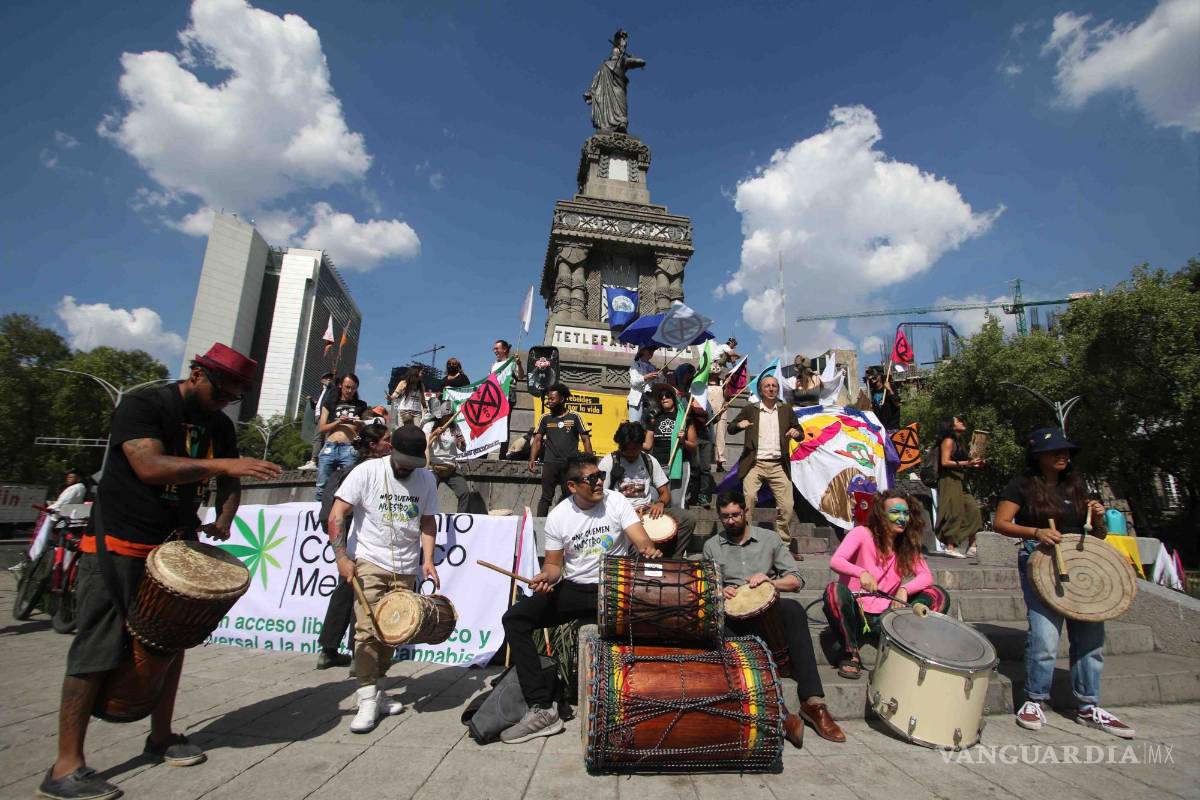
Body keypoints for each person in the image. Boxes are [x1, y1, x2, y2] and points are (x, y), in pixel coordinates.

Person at [39, 343, 282, 800]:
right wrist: (223, 464)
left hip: (175, 547)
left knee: (172, 641)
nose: (224, 402)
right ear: (197, 374)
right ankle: (65, 765)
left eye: (233, 396)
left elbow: (231, 478)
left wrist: (226, 515)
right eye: (221, 392)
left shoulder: (219, 424)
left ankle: (161, 736)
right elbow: (149, 466)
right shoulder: (144, 405)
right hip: (119, 543)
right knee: (96, 646)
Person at [499, 454, 662, 743]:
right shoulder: (559, 516)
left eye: (600, 476)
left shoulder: (616, 501)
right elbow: (554, 565)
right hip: (575, 588)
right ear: (572, 486)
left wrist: (647, 549)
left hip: (613, 585)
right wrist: (545, 578)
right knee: (515, 619)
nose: (599, 482)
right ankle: (542, 708)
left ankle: (651, 696)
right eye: (592, 478)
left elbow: (641, 540)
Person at [993, 428, 1132, 738]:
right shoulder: (1022, 485)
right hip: (1041, 560)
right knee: (1044, 634)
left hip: (1081, 564)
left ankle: (1088, 705)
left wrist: (1098, 518)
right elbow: (1000, 522)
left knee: (1090, 635)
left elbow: (1097, 535)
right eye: (1054, 450)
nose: (1062, 455)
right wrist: (1036, 532)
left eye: (1065, 450)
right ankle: (1035, 699)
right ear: (1038, 456)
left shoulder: (1076, 486)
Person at [705, 492, 845, 745]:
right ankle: (779, 713)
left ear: (746, 512)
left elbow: (796, 580)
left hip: (768, 612)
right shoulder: (712, 546)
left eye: (735, 515)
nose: (731, 521)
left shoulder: (769, 539)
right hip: (733, 616)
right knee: (717, 625)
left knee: (793, 609)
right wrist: (719, 590)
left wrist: (770, 582)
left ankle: (813, 702)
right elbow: (706, 585)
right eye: (725, 517)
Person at [327, 425, 440, 733]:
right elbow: (337, 514)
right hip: (369, 560)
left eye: (413, 464)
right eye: (403, 462)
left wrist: (428, 560)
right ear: (391, 450)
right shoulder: (367, 472)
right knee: (367, 630)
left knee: (394, 631)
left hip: (405, 567)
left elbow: (427, 521)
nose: (407, 469)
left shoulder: (427, 479)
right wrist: (341, 557)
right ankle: (366, 698)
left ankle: (377, 690)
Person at [823, 489, 950, 679]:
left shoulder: (906, 545)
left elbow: (926, 576)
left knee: (938, 595)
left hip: (887, 615)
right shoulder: (861, 533)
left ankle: (909, 645)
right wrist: (861, 572)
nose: (902, 518)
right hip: (856, 612)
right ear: (881, 515)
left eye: (906, 513)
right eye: (895, 512)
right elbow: (836, 561)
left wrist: (904, 589)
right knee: (833, 591)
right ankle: (851, 653)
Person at [314, 425, 393, 671]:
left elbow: (327, 514)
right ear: (372, 445)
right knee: (363, 594)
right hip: (362, 539)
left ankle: (330, 649)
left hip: (350, 539)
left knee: (346, 590)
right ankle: (358, 654)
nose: (390, 444)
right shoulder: (371, 472)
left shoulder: (346, 471)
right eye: (387, 440)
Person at [597, 421, 696, 558]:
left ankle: (672, 559)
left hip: (647, 511)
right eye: (628, 449)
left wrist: (660, 503)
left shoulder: (649, 460)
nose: (632, 453)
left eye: (636, 448)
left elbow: (665, 492)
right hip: (621, 514)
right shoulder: (609, 462)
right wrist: (627, 514)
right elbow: (600, 496)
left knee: (688, 519)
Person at [727, 375, 801, 541]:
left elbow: (799, 431)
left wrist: (796, 433)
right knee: (748, 500)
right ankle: (746, 539)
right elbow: (730, 428)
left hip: (779, 465)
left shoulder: (786, 409)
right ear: (760, 390)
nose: (771, 389)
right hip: (755, 463)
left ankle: (783, 543)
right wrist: (739, 425)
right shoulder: (750, 409)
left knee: (787, 506)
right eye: (767, 386)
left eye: (774, 386)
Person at [529, 384, 592, 516]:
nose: (549, 401)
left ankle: (567, 524)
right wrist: (532, 459)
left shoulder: (575, 417)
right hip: (550, 463)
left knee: (569, 497)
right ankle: (539, 523)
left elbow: (586, 440)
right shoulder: (545, 418)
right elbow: (537, 439)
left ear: (562, 399)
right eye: (548, 399)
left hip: (569, 465)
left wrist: (589, 463)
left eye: (552, 399)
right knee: (546, 497)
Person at [934, 415, 984, 558]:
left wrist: (975, 463)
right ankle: (951, 547)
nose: (962, 422)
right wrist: (967, 463)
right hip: (949, 479)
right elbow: (945, 462)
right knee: (953, 511)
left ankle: (972, 545)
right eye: (958, 421)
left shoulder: (959, 441)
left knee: (973, 510)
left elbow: (964, 462)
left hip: (960, 479)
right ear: (950, 425)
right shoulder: (948, 440)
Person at [316, 374, 367, 502]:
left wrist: (359, 423)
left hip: (350, 447)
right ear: (340, 385)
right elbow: (322, 428)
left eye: (353, 388)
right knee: (322, 485)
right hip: (330, 446)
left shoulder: (361, 405)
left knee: (349, 486)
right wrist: (338, 422)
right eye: (347, 387)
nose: (350, 391)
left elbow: (365, 426)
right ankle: (318, 510)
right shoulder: (330, 403)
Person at [584, 28, 646, 133]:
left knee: (622, 113)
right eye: (614, 53)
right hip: (607, 95)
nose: (615, 54)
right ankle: (609, 126)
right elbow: (597, 82)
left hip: (619, 91)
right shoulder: (605, 65)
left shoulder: (623, 61)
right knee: (607, 112)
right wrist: (592, 92)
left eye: (616, 53)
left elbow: (642, 62)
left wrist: (632, 58)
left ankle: (621, 124)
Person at [646, 384, 697, 508]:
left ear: (674, 398)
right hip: (657, 467)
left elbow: (693, 446)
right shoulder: (654, 419)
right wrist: (631, 440)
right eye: (661, 396)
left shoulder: (684, 419)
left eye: (667, 395)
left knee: (676, 503)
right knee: (653, 500)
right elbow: (647, 445)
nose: (664, 398)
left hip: (679, 466)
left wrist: (683, 441)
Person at [423, 400, 474, 513]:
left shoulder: (455, 428)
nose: (448, 418)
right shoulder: (429, 426)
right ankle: (426, 517)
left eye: (450, 415)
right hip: (433, 467)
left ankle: (460, 518)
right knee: (427, 493)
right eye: (446, 415)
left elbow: (462, 448)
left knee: (464, 492)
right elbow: (423, 444)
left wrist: (462, 443)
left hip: (450, 467)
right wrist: (434, 433)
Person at [707, 338, 740, 471]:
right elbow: (732, 355)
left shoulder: (723, 384)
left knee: (721, 437)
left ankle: (720, 461)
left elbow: (727, 397)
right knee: (707, 437)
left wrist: (726, 399)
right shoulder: (703, 385)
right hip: (707, 412)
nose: (715, 370)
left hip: (721, 411)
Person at [299, 372, 335, 470]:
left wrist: (330, 384)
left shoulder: (331, 389)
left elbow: (333, 388)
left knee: (320, 438)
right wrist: (311, 401)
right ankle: (318, 460)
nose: (329, 379)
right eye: (327, 378)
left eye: (330, 378)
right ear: (322, 380)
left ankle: (315, 460)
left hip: (325, 416)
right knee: (320, 438)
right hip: (318, 416)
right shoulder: (322, 392)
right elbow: (317, 405)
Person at [626, 345, 659, 423]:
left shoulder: (653, 367)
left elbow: (656, 385)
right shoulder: (635, 365)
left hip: (650, 401)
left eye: (653, 350)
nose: (651, 352)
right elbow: (634, 382)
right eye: (649, 349)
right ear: (642, 350)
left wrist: (662, 375)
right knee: (635, 425)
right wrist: (645, 378)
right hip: (637, 401)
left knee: (647, 426)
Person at [864, 367, 901, 432]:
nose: (871, 377)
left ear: (880, 375)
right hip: (880, 429)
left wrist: (889, 390)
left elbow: (897, 404)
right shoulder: (873, 391)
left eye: (873, 375)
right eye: (869, 375)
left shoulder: (889, 387)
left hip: (892, 428)